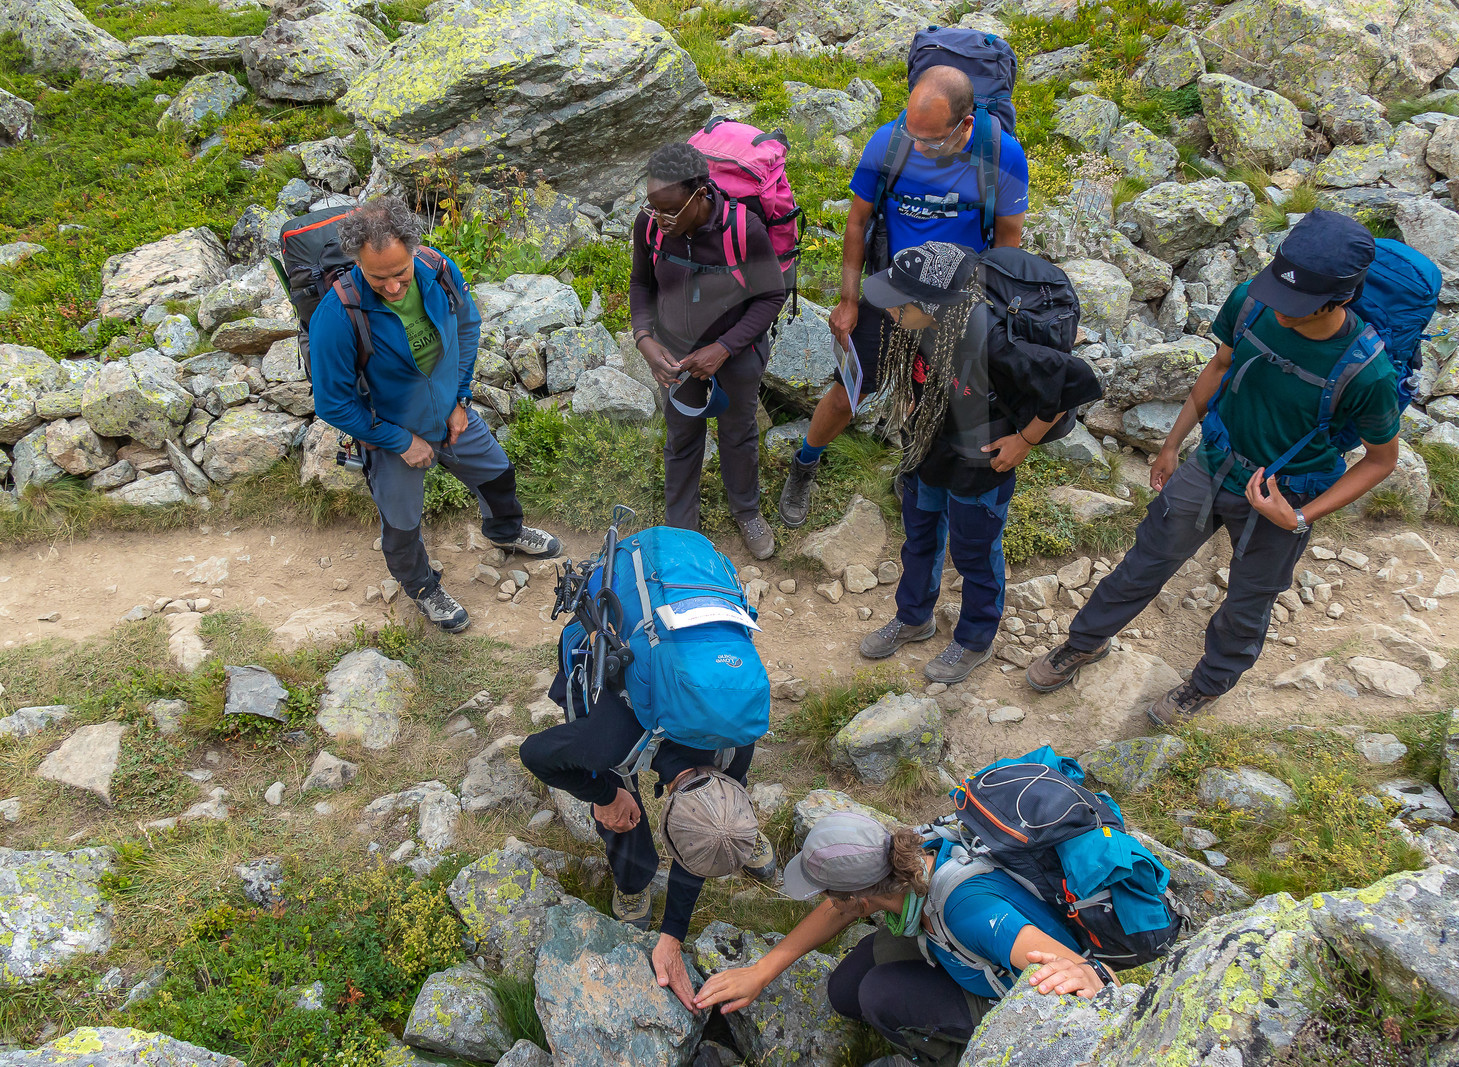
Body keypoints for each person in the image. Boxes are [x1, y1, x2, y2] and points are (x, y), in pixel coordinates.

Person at [1027, 209, 1401, 726]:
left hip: (1286, 495)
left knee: (1248, 602)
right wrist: (1172, 442)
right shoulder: (1252, 300)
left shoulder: (1368, 372)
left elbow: (1382, 460)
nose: (1282, 311)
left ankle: (1206, 684)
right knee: (1145, 561)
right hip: (1211, 463)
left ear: (1340, 299)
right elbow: (1221, 366)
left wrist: (1298, 518)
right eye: (1279, 295)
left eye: (1298, 306)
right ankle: (1084, 643)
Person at [777, 66, 1030, 530]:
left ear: (965, 126)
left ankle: (914, 469)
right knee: (850, 387)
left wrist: (988, 310)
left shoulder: (1002, 157)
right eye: (912, 134)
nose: (918, 149)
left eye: (931, 141)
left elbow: (1008, 243)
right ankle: (805, 462)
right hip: (891, 288)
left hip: (958, 300)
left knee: (931, 391)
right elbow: (857, 222)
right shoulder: (889, 141)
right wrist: (849, 300)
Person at [308, 197, 561, 634]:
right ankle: (422, 587)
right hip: (389, 432)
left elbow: (467, 326)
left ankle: (505, 532)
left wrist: (461, 401)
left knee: (497, 473)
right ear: (356, 262)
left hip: (450, 415)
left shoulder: (439, 271)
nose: (391, 287)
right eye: (377, 277)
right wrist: (401, 442)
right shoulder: (337, 315)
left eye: (400, 273)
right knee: (402, 523)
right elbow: (333, 403)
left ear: (413, 250)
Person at [853, 242, 1100, 684]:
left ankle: (974, 640)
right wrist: (912, 396)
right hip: (927, 445)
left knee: (975, 552)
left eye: (897, 303)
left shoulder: (994, 340)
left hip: (981, 460)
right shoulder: (922, 322)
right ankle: (914, 618)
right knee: (920, 537)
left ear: (929, 303)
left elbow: (1072, 380)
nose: (888, 311)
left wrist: (1024, 441)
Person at [694, 813, 1111, 1066]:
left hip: (995, 982)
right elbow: (840, 908)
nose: (825, 900)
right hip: (951, 948)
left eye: (825, 891)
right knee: (845, 991)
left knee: (879, 996)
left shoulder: (967, 911)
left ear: (860, 896)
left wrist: (1092, 977)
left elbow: (1081, 969)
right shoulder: (909, 852)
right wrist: (761, 971)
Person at [518, 673, 777, 1011]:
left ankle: (734, 834)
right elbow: (533, 752)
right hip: (615, 682)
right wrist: (604, 794)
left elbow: (701, 835)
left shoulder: (739, 731)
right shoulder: (609, 743)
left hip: (704, 683)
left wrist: (672, 934)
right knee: (617, 806)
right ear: (667, 823)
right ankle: (632, 880)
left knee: (719, 816)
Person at [629, 142, 786, 560]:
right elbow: (641, 285)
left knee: (738, 433)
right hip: (676, 353)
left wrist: (724, 348)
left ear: (700, 196)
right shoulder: (649, 227)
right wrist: (645, 338)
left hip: (736, 352)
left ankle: (747, 512)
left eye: (670, 210)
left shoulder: (743, 229)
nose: (660, 219)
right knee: (681, 435)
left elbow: (771, 296)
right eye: (652, 206)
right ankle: (682, 527)